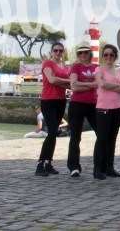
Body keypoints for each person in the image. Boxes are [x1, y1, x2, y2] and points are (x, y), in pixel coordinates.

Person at [35, 41, 70, 177]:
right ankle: (40, 164)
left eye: (60, 51)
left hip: (61, 101)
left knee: (54, 132)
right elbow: (51, 80)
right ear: (51, 52)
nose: (58, 53)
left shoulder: (64, 67)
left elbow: (67, 84)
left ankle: (48, 163)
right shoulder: (47, 64)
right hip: (48, 101)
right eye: (55, 50)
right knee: (51, 132)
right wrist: (67, 82)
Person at [93, 44, 120, 180]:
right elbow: (102, 84)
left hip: (117, 108)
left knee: (112, 139)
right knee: (102, 139)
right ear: (102, 56)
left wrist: (114, 86)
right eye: (106, 55)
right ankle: (98, 168)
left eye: (111, 55)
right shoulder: (98, 70)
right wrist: (118, 86)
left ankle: (109, 167)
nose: (108, 57)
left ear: (115, 56)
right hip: (103, 108)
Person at [67, 42, 99, 177]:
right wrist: (91, 85)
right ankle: (74, 166)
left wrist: (83, 84)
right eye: (80, 53)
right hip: (77, 104)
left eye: (85, 52)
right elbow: (73, 86)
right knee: (75, 136)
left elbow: (99, 83)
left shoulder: (96, 67)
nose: (83, 55)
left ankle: (101, 165)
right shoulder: (75, 67)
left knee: (102, 134)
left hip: (94, 104)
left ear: (90, 53)